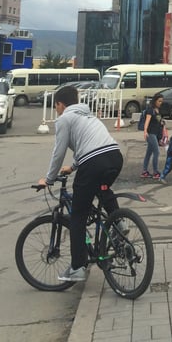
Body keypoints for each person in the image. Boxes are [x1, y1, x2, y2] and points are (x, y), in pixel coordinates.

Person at [36, 85, 123, 283]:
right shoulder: (89, 116)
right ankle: (119, 222)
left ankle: (78, 267)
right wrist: (74, 166)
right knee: (102, 187)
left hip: (93, 162)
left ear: (59, 104)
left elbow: (58, 152)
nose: (57, 110)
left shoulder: (64, 119)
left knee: (78, 216)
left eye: (56, 106)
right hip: (114, 156)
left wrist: (49, 179)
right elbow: (89, 144)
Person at [141, 92, 164, 180]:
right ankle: (155, 172)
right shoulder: (150, 110)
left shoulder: (158, 110)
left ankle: (144, 171)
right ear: (155, 101)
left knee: (149, 153)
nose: (160, 103)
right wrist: (145, 131)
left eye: (161, 101)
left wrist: (162, 123)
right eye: (159, 101)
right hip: (150, 133)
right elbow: (147, 121)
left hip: (155, 133)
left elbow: (158, 121)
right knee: (156, 152)